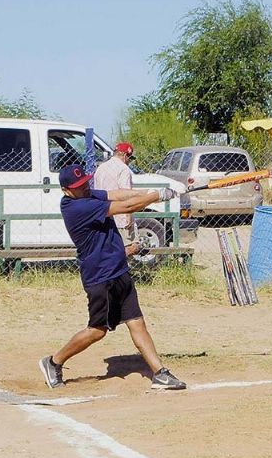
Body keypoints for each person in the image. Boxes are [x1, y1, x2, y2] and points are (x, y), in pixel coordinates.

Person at [39, 164, 186, 390]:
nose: (86, 187)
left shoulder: (86, 195)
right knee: (97, 331)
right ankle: (53, 361)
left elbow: (117, 194)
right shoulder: (76, 207)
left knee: (137, 322)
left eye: (86, 182)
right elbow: (124, 206)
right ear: (66, 190)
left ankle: (160, 373)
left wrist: (157, 191)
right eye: (79, 186)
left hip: (118, 270)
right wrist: (159, 196)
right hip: (100, 277)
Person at [94, 142, 140, 256]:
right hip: (120, 214)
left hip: (103, 214)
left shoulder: (101, 168)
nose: (129, 161)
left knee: (109, 246)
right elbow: (126, 194)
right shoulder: (123, 169)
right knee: (133, 246)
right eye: (129, 158)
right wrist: (128, 215)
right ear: (125, 155)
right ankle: (115, 263)